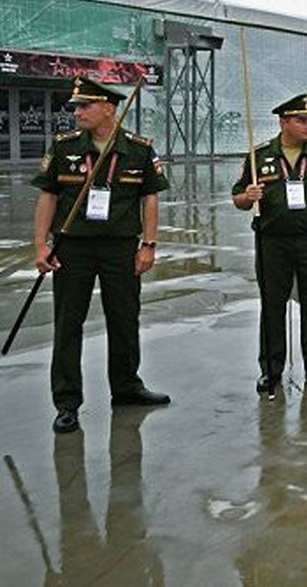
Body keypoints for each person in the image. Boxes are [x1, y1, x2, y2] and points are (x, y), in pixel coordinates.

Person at [32, 78, 171, 435]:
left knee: (125, 320)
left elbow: (150, 199)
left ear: (109, 108)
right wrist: (41, 246)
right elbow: (47, 196)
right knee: (68, 324)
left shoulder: (139, 150)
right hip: (72, 248)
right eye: (76, 107)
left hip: (120, 248)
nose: (76, 112)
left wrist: (149, 244)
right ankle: (66, 403)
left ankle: (126, 388)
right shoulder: (64, 148)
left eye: (84, 106)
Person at [233, 94, 307, 396]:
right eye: (301, 120)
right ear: (284, 122)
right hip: (273, 242)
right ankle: (271, 369)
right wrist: (249, 195)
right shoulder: (259, 157)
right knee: (272, 306)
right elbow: (238, 200)